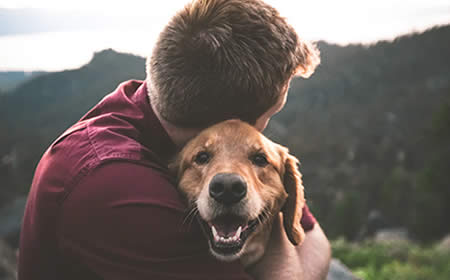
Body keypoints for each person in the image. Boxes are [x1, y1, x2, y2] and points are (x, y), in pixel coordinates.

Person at [18, 0, 331, 279]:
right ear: (231, 122)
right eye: (271, 113)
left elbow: (314, 238)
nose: (260, 131)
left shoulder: (160, 106)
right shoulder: (114, 186)